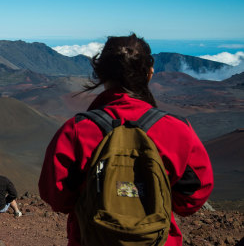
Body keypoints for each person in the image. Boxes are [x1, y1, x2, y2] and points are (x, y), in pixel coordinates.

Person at [38, 34, 213, 246]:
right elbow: (192, 199)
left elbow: (57, 197)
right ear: (149, 73)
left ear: (100, 74)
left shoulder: (76, 131)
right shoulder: (177, 130)